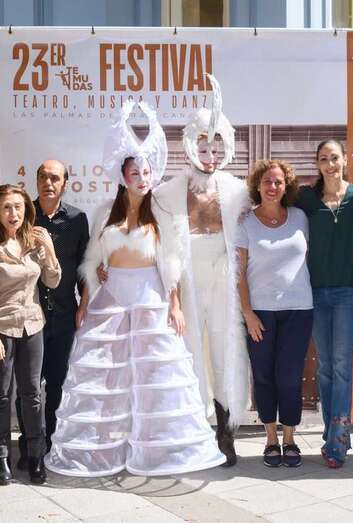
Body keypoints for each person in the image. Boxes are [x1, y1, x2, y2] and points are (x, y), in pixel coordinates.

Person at [45, 101, 225, 477]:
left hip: (150, 297)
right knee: (109, 375)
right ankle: (109, 447)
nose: (141, 176)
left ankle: (155, 449)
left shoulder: (162, 212)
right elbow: (93, 262)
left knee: (152, 375)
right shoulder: (103, 212)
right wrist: (86, 300)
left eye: (146, 170)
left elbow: (171, 263)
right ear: (122, 175)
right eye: (134, 171)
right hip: (110, 301)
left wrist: (174, 305)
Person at [152, 74, 251, 466]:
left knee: (226, 350)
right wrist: (172, 296)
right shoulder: (167, 193)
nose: (209, 153)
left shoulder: (237, 191)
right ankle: (193, 430)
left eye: (216, 145)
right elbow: (162, 249)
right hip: (190, 278)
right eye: (202, 144)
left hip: (225, 279)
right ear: (190, 144)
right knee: (189, 352)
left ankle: (226, 432)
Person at [0, 184, 62, 485]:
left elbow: (52, 281)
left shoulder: (33, 241)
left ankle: (36, 457)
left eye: (18, 207)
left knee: (32, 395)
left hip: (33, 325)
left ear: (26, 209)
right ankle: (2, 459)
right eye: (6, 208)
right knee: (1, 396)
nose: (13, 213)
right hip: (1, 329)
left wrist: (48, 248)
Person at [295, 139, 353, 469]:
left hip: (348, 292)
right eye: (324, 159)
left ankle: (337, 443)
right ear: (317, 163)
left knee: (341, 365)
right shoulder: (306, 199)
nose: (330, 164)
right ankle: (334, 432)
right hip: (314, 292)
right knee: (325, 366)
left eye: (335, 158)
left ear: (344, 160)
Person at [236, 160, 313, 468]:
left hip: (299, 309)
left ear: (286, 186)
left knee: (290, 378)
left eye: (278, 182)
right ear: (257, 185)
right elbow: (239, 273)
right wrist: (248, 312)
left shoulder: (300, 218)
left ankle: (291, 438)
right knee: (265, 376)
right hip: (261, 313)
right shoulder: (246, 222)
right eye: (267, 181)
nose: (272, 187)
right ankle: (270, 439)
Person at [14, 160, 89, 471]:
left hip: (63, 315)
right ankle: (29, 444)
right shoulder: (21, 216)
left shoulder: (77, 219)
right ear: (36, 180)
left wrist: (83, 306)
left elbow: (85, 268)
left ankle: (51, 439)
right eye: (42, 176)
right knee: (28, 385)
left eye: (54, 178)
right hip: (28, 315)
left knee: (56, 382)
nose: (48, 182)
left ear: (65, 183)